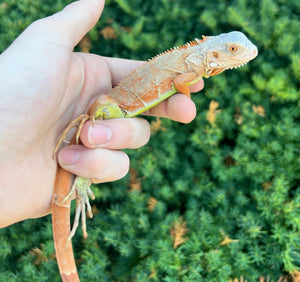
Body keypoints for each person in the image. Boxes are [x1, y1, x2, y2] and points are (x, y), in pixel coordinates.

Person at [0, 0, 203, 228]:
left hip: (109, 108)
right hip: (111, 107)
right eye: (232, 51)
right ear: (213, 53)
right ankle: (82, 184)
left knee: (92, 140)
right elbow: (180, 81)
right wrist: (185, 96)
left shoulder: (193, 63)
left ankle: (81, 181)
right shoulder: (192, 67)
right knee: (91, 139)